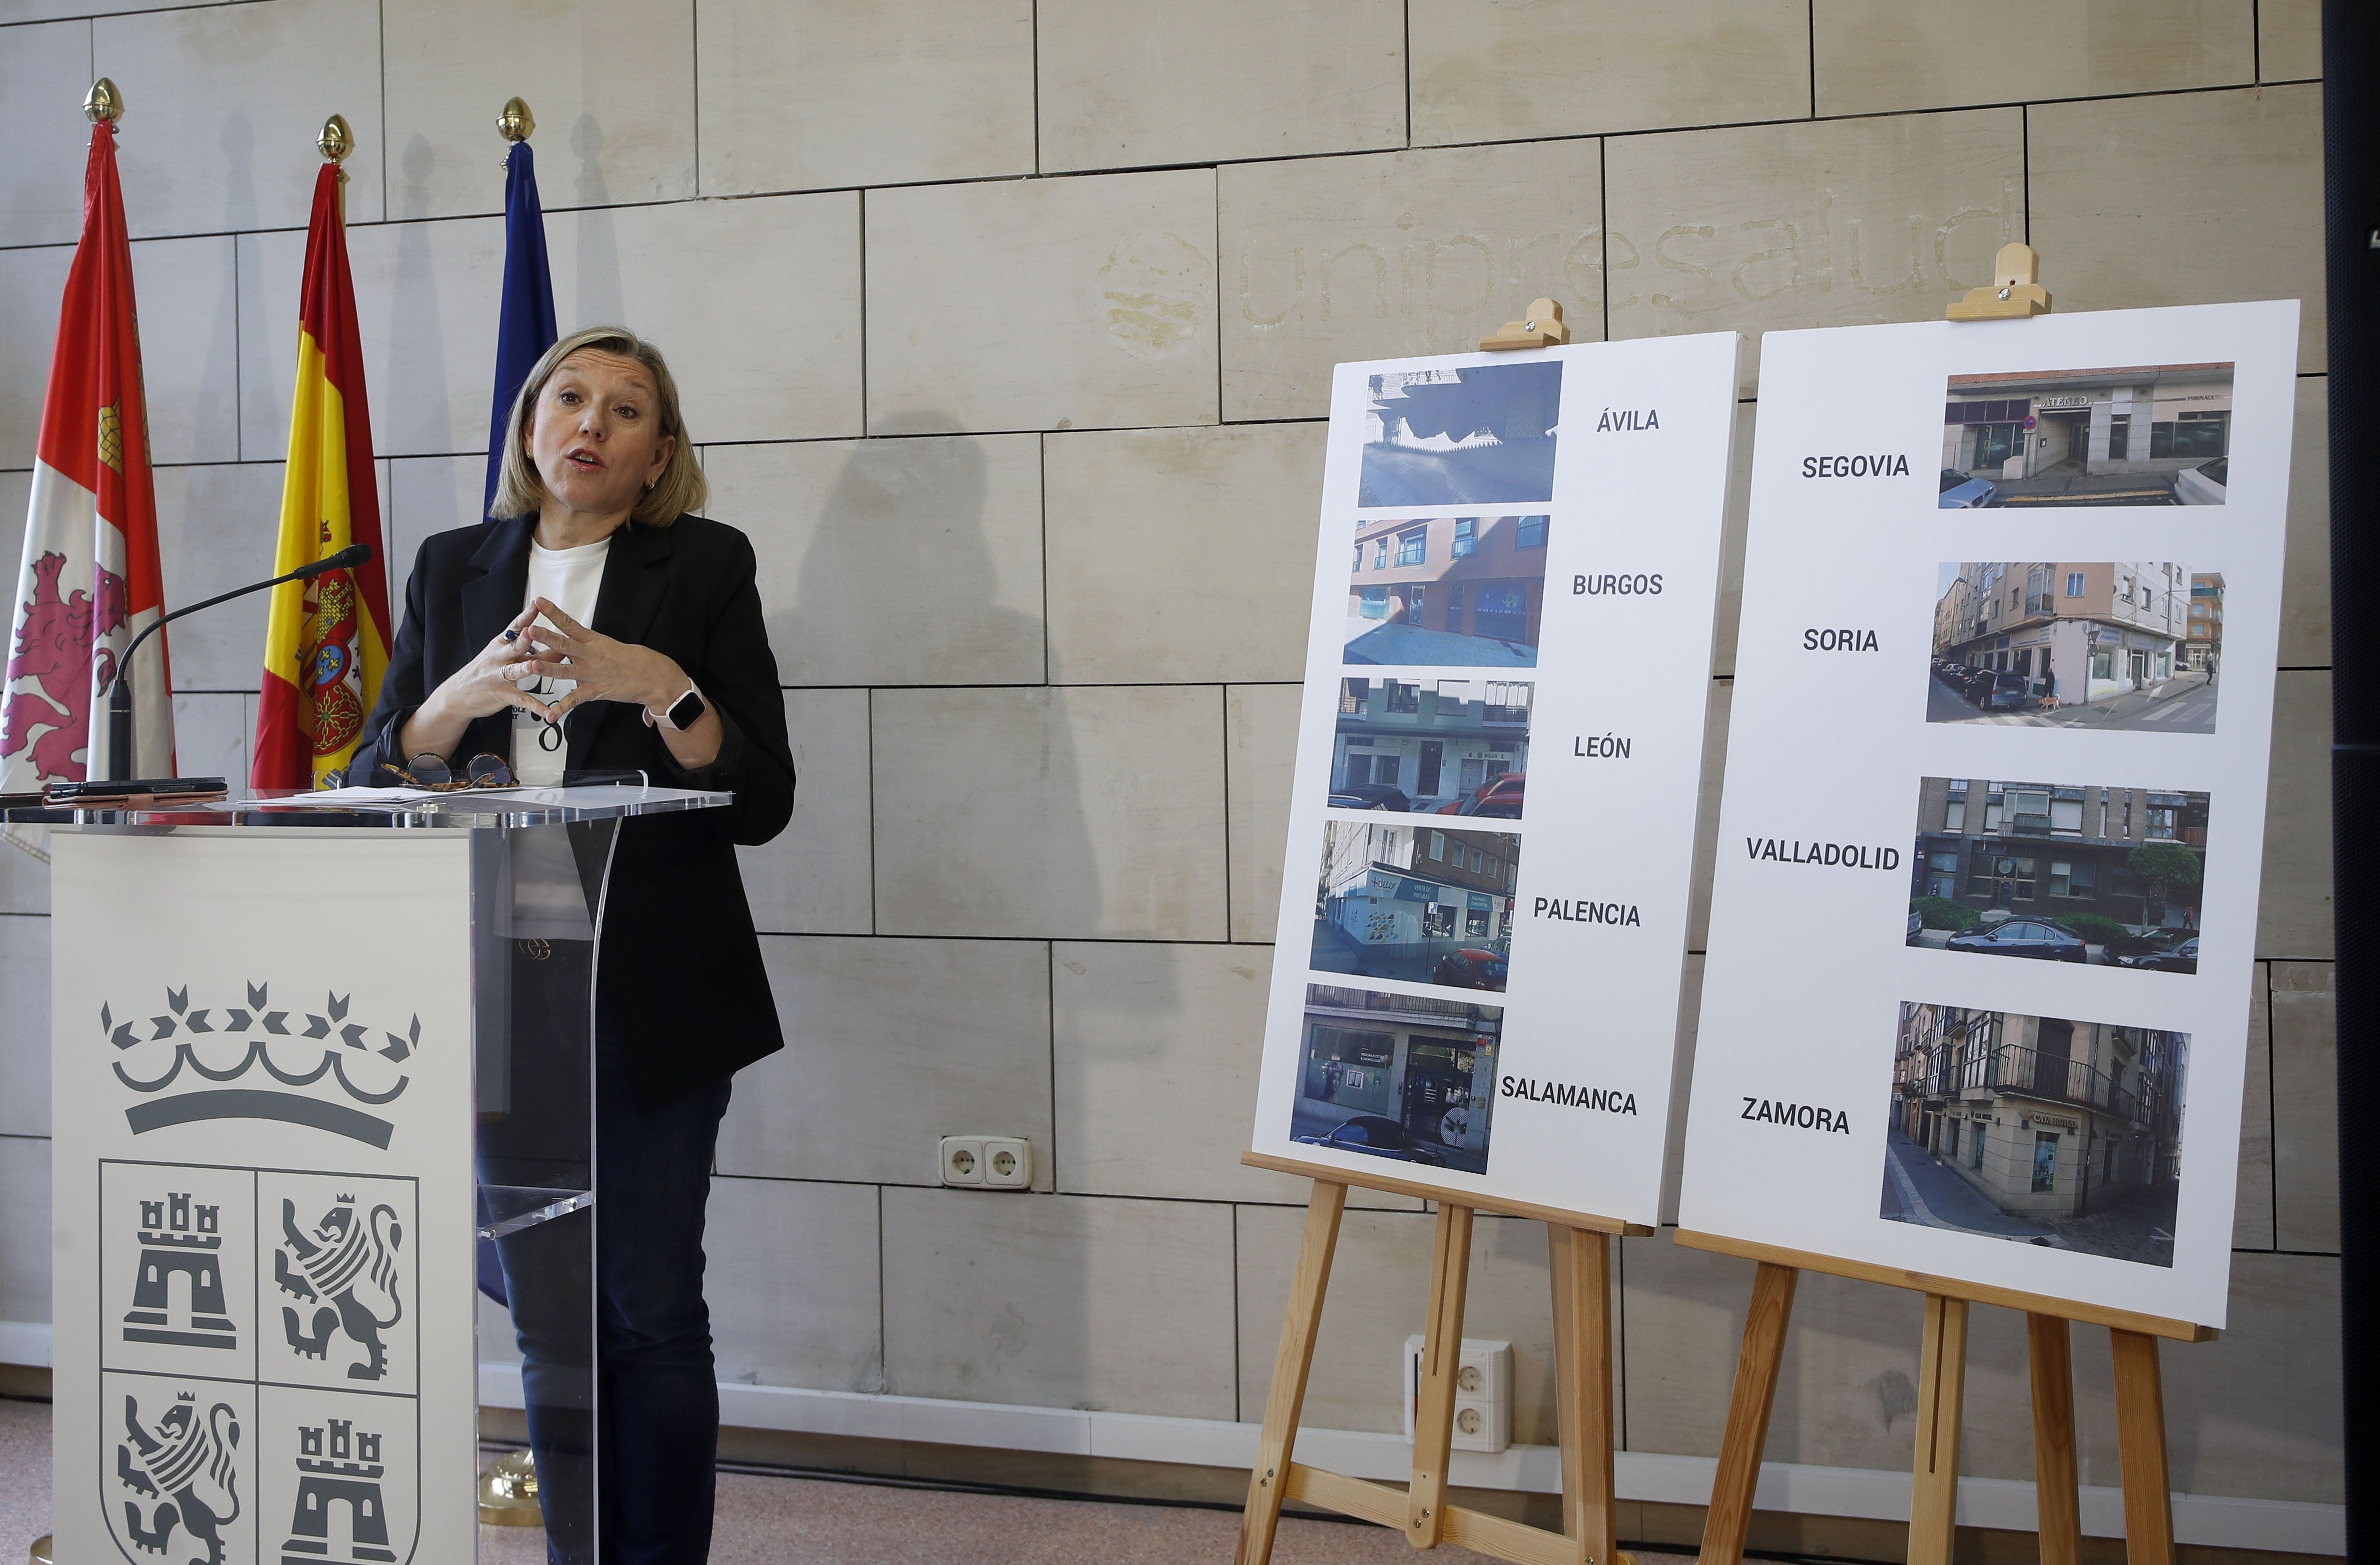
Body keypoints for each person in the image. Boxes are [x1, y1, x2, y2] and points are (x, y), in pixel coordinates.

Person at [350, 325, 794, 1565]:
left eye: (628, 408)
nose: (592, 422)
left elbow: (761, 797)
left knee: (647, 1309)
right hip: (500, 981)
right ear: (533, 425)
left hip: (649, 982)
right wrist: (456, 699)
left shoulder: (702, 568)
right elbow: (379, 765)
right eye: (570, 397)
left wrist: (653, 681)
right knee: (548, 1321)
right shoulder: (453, 570)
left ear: (659, 458)